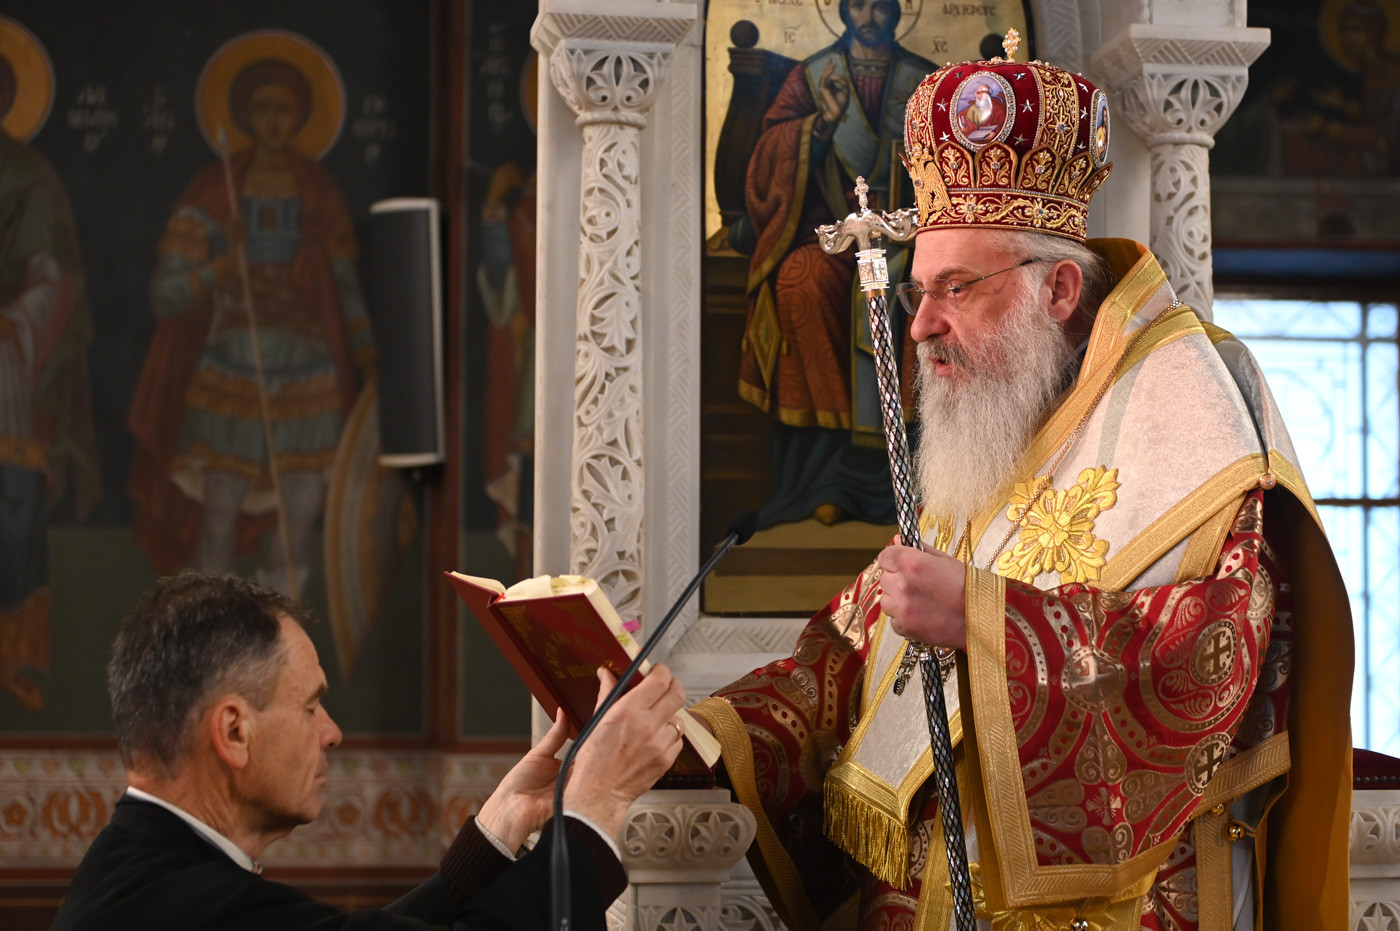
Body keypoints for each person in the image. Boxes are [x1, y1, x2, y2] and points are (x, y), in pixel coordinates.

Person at [692, 43, 1353, 931]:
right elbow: (853, 657)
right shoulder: (998, 415)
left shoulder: (1186, 397)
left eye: (956, 289)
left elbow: (1216, 651)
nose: (921, 326)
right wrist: (696, 732)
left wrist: (984, 619)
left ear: (1059, 290)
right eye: (918, 293)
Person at [53, 572, 687, 930]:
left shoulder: (145, 867)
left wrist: (495, 835)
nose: (331, 732)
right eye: (311, 706)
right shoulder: (190, 907)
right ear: (234, 732)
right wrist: (595, 805)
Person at [128, 55, 374, 597]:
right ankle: (210, 630)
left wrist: (366, 356)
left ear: (300, 116)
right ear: (244, 115)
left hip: (309, 371)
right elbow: (166, 294)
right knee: (219, 514)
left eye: (284, 109)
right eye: (262, 108)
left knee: (298, 519)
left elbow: (345, 287)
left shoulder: (318, 191)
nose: (273, 120)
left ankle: (284, 632)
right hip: (232, 365)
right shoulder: (214, 192)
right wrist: (222, 261)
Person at [735, 0, 936, 528]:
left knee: (926, 291)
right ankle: (822, 476)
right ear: (843, 11)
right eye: (859, 5)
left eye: (881, 5)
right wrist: (821, 124)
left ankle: (918, 475)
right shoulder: (812, 77)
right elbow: (767, 158)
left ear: (897, 12)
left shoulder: (926, 82)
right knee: (799, 282)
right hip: (832, 233)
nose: (870, 16)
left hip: (912, 238)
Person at [0, 50, 100, 712]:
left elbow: (53, 281)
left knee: (12, 511)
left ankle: (8, 657)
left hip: (7, 368)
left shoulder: (28, 177)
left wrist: (13, 323)